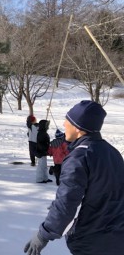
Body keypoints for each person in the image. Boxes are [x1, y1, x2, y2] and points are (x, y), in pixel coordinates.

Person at [24, 100, 124, 255]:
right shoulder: (112, 152)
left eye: (68, 120)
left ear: (78, 128)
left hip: (91, 240)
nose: (64, 124)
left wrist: (43, 234)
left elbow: (67, 204)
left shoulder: (79, 157)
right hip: (117, 239)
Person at [35, 119, 52, 183]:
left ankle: (45, 178)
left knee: (44, 166)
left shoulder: (43, 133)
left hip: (44, 152)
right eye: (46, 125)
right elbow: (40, 144)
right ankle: (39, 179)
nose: (48, 127)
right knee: (41, 166)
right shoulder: (41, 133)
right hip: (41, 152)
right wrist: (44, 150)